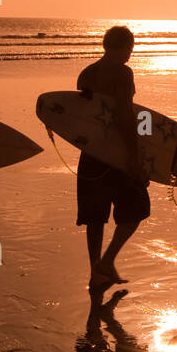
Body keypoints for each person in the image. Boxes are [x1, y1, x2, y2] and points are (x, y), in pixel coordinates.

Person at [75, 26, 151, 292]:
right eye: (130, 48)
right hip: (116, 155)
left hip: (91, 154)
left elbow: (79, 114)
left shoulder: (87, 73)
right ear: (124, 47)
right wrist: (134, 158)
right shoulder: (123, 72)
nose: (131, 54)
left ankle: (96, 270)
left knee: (94, 216)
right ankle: (107, 261)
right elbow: (125, 116)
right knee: (138, 207)